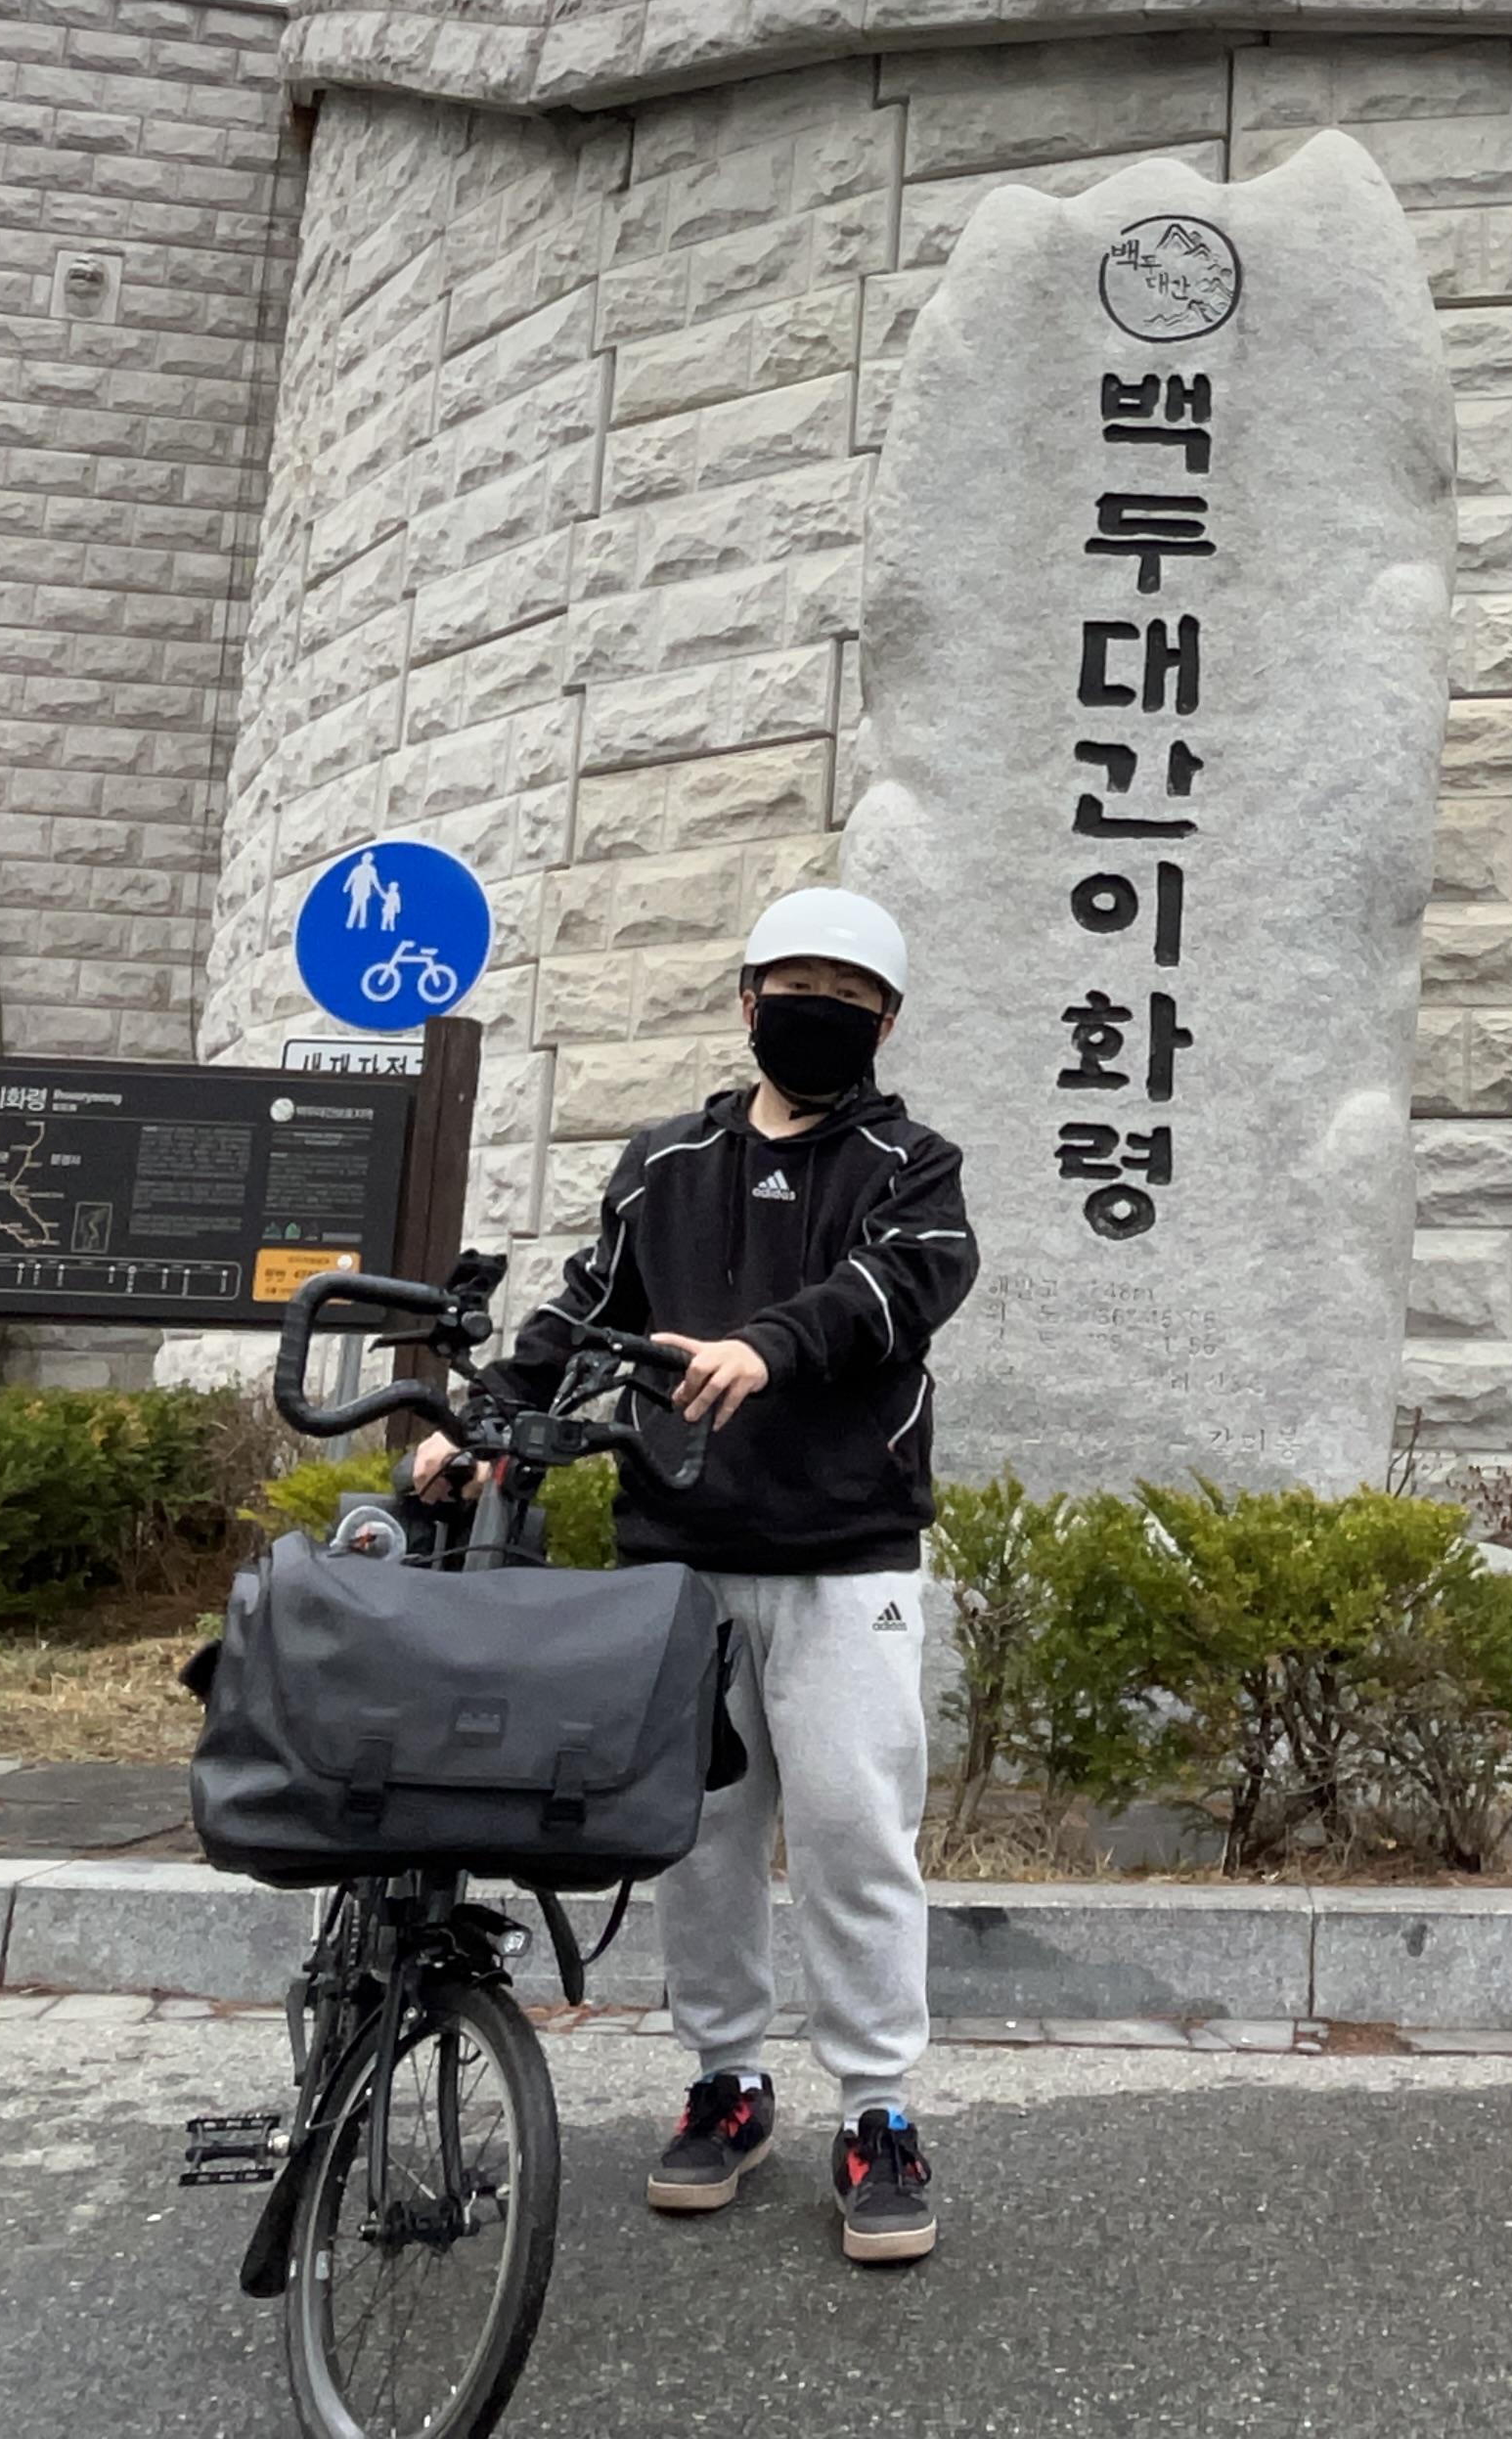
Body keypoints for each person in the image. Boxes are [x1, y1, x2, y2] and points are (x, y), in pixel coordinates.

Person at [496, 885, 977, 2264]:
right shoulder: (666, 1163)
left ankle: (877, 2107)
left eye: (850, 995)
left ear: (885, 1022)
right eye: (797, 986)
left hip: (845, 1559)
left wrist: (768, 1344)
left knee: (853, 1833)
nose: (820, 1010)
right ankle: (726, 2082)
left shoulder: (910, 1165)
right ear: (748, 999)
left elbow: (904, 1285)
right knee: (700, 1841)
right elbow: (586, 1311)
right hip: (682, 1559)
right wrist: (482, 1426)